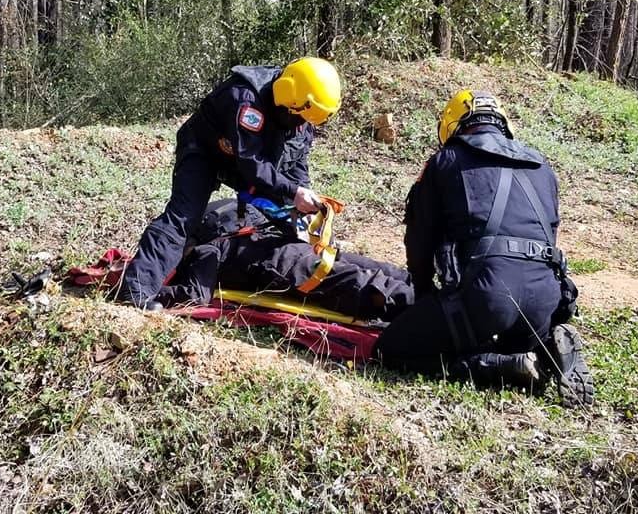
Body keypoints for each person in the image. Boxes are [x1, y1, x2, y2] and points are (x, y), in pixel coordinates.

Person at [373, 89, 595, 406]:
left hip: (487, 296)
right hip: (543, 299)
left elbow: (420, 240)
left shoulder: (445, 161)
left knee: (389, 350)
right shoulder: (542, 166)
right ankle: (541, 347)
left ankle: (498, 365)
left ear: (452, 126)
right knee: (506, 328)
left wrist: (423, 296)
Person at [116, 58, 343, 310]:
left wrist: (303, 199)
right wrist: (292, 191)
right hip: (206, 152)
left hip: (248, 159)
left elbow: (296, 163)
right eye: (298, 117)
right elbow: (252, 165)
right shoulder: (245, 99)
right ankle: (136, 292)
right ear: (287, 98)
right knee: (184, 216)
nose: (302, 124)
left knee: (289, 219)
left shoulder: (302, 114)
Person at [153, 199, 413, 321]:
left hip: (281, 265)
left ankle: (423, 310)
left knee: (355, 283)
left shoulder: (206, 250)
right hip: (288, 245)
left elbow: (195, 295)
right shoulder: (236, 218)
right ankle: (421, 289)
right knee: (358, 265)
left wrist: (156, 292)